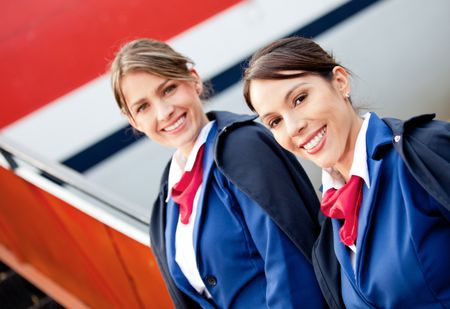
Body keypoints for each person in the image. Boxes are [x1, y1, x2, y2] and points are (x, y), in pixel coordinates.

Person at [110, 38, 326, 308]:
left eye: (168, 89)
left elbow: (291, 265)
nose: (164, 112)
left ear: (193, 80)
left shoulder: (243, 148)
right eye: (143, 107)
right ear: (134, 121)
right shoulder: (165, 202)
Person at [243, 36, 450, 308]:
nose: (293, 127)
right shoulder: (329, 233)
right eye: (275, 121)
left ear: (340, 82)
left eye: (300, 99)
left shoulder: (424, 151)